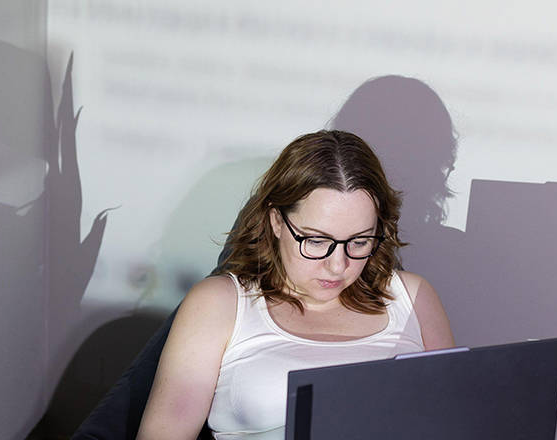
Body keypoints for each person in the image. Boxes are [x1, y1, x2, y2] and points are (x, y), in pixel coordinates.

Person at [136, 130, 455, 439]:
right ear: (276, 221)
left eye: (359, 242)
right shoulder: (219, 303)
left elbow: (458, 419)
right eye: (316, 241)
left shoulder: (412, 297)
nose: (337, 265)